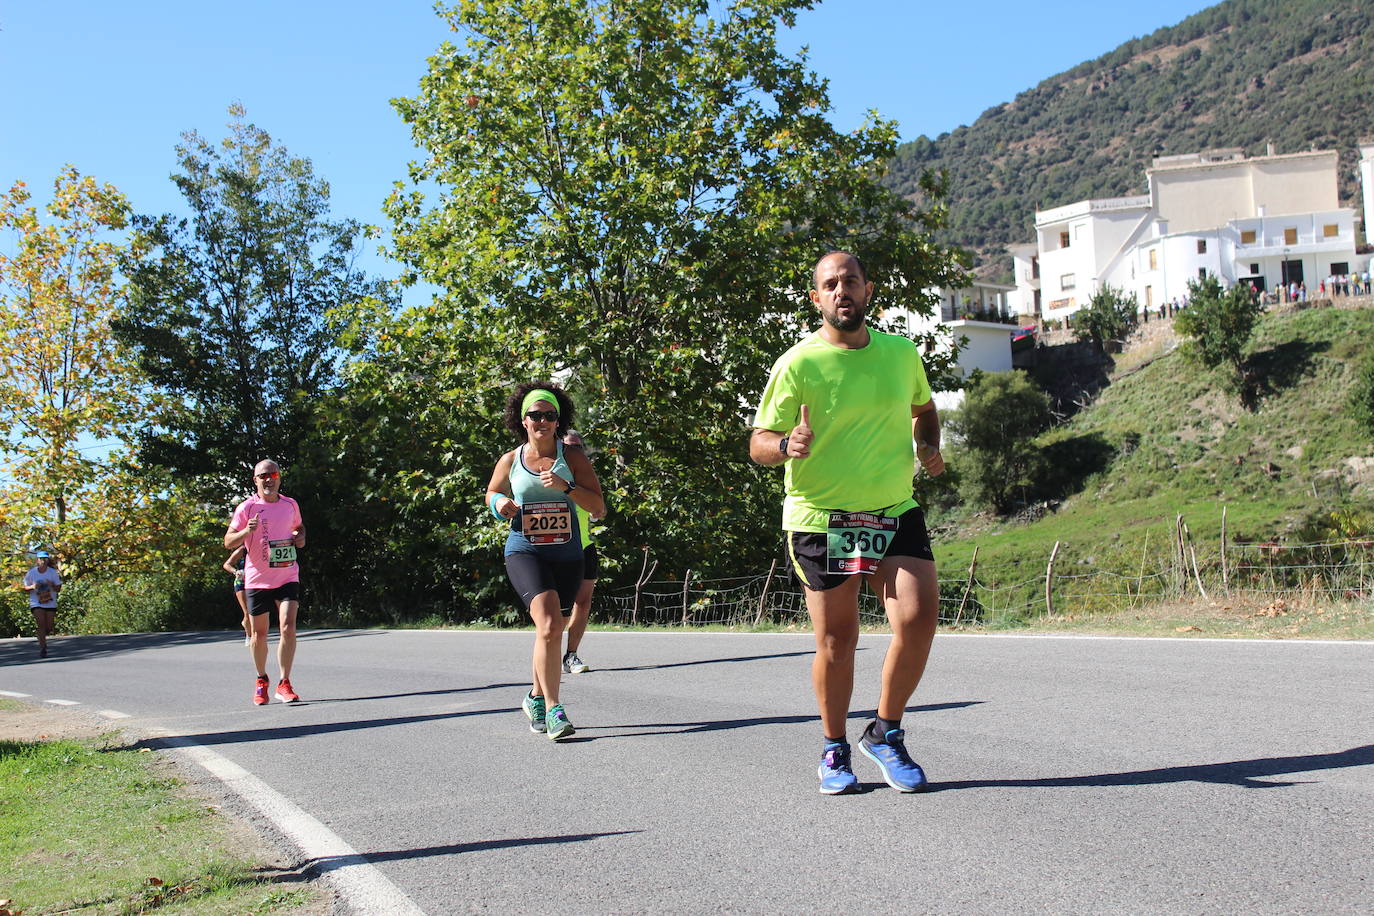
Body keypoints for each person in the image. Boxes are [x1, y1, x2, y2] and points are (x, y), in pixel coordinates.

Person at [750, 251, 946, 795]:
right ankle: (834, 747)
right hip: (822, 516)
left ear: (868, 290)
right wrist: (786, 444)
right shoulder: (798, 364)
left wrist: (928, 444)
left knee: (918, 619)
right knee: (839, 640)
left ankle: (885, 731)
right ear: (817, 298)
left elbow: (924, 409)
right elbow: (758, 442)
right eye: (831, 284)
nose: (842, 291)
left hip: (893, 509)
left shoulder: (900, 353)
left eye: (851, 281)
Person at [485, 383, 604, 741]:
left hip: (568, 554)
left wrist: (566, 487)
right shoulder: (511, 460)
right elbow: (492, 491)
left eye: (549, 415)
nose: (542, 421)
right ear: (523, 420)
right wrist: (499, 504)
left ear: (557, 421)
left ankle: (535, 696)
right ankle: (554, 709)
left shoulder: (574, 459)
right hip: (525, 550)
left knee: (552, 630)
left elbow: (598, 507)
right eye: (535, 415)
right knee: (550, 625)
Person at [224, 459, 306, 706]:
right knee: (259, 635)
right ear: (255, 480)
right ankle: (262, 680)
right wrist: (246, 532)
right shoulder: (247, 508)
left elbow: (299, 527)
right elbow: (228, 542)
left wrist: (300, 537)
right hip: (257, 579)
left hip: (287, 575)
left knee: (287, 627)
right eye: (263, 476)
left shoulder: (290, 504)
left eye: (273, 474)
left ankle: (284, 682)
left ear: (279, 477)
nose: (269, 479)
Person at [560, 429, 602, 675]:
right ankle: (548, 650)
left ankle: (571, 655)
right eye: (568, 446)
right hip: (557, 548)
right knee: (559, 608)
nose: (573, 451)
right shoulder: (550, 474)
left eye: (577, 447)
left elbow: (599, 508)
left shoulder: (585, 476)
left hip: (584, 546)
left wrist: (597, 510)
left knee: (583, 602)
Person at [22, 550, 61, 658]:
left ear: (48, 560)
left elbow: (58, 588)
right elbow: (25, 587)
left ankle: (42, 635)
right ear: (37, 560)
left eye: (45, 559)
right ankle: (43, 648)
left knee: (49, 626)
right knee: (41, 624)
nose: (43, 561)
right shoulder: (31, 573)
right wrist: (32, 587)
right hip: (36, 602)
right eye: (41, 559)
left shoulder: (52, 573)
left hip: (50, 602)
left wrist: (52, 584)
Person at [223, 545, 251, 645]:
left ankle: (252, 630)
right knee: (247, 611)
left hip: (256, 582)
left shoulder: (262, 548)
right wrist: (236, 572)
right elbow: (227, 564)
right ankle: (248, 635)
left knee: (255, 612)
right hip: (241, 583)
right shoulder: (242, 550)